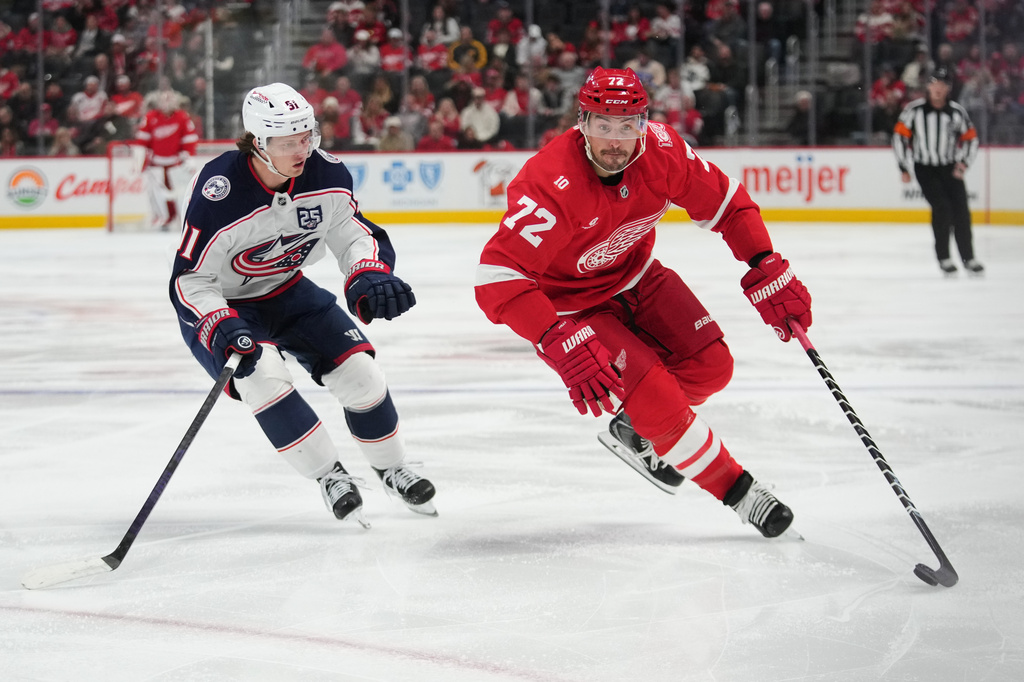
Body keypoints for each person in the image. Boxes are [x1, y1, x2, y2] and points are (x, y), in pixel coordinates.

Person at [475, 68, 811, 539]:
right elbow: (497, 277)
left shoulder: (663, 151)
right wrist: (552, 336)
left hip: (637, 275)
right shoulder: (552, 183)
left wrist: (765, 263)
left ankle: (638, 431)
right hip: (574, 309)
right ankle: (741, 493)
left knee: (713, 366)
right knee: (657, 396)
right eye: (603, 126)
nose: (617, 141)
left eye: (628, 125)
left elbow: (728, 204)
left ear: (644, 123)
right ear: (582, 123)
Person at [170, 82, 436, 527]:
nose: (303, 150)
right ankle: (330, 476)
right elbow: (190, 281)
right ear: (259, 142)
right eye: (289, 142)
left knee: (362, 375)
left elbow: (352, 233)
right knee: (264, 378)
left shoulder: (327, 174)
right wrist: (218, 323)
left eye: (307, 136)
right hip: (226, 305)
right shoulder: (219, 193)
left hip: (286, 289)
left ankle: (392, 469)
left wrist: (368, 272)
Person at [893, 67, 983, 275]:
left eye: (943, 85)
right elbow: (899, 137)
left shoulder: (957, 112)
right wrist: (903, 166)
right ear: (928, 86)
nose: (938, 89)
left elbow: (971, 139)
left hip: (950, 168)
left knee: (961, 212)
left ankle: (968, 258)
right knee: (942, 208)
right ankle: (944, 257)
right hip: (925, 168)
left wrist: (963, 164)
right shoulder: (914, 111)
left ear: (948, 89)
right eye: (935, 84)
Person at [134, 90, 198, 231]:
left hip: (176, 164)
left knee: (182, 194)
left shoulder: (182, 117)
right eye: (164, 100)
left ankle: (183, 219)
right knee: (156, 194)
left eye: (170, 99)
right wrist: (140, 160)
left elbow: (189, 139)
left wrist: (189, 156)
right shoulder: (150, 117)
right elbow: (142, 141)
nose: (167, 103)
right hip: (156, 164)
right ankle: (162, 218)